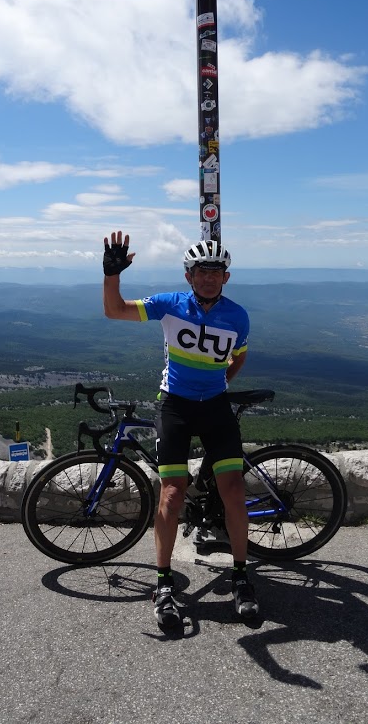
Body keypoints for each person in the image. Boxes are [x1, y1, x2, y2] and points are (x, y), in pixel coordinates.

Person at [103, 230, 259, 628]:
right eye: (201, 271)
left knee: (235, 491)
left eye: (216, 271)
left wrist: (222, 382)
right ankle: (163, 583)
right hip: (175, 405)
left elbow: (237, 358)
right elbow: (115, 311)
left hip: (215, 407)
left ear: (226, 278)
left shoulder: (237, 316)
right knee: (172, 494)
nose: (208, 277)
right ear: (189, 276)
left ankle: (241, 577)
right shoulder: (170, 305)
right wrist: (111, 275)